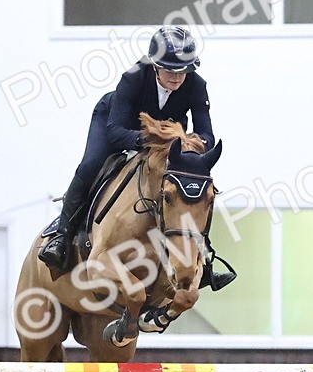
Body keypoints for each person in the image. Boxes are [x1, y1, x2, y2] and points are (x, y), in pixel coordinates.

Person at [38, 26, 235, 291]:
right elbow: (114, 131)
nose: (178, 78)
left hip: (167, 140)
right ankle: (61, 236)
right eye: (171, 71)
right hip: (117, 125)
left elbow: (206, 134)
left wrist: (193, 145)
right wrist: (149, 140)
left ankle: (204, 259)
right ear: (155, 66)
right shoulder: (132, 78)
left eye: (183, 72)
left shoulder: (197, 85)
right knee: (90, 166)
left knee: (192, 186)